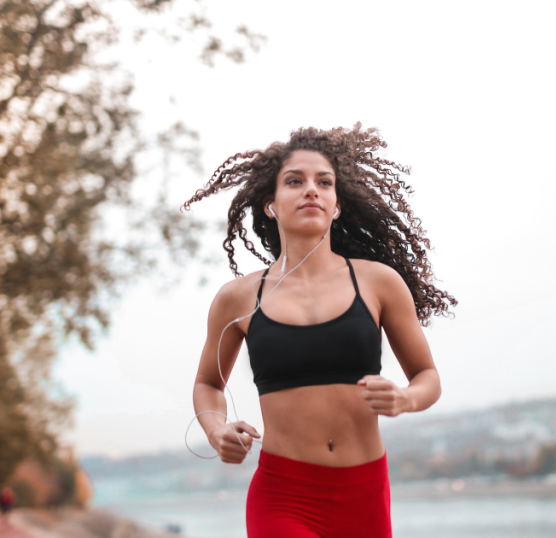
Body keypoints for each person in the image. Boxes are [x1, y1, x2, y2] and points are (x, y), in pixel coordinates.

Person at [185, 124, 455, 538]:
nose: (311, 190)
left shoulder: (378, 282)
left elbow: (428, 377)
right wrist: (217, 430)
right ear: (270, 205)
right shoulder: (238, 297)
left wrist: (404, 398)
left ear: (337, 205)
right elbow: (208, 383)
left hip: (364, 493)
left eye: (323, 182)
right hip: (283, 495)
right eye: (294, 181)